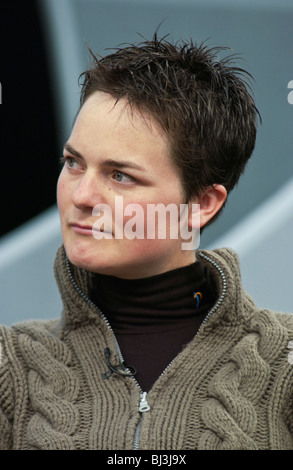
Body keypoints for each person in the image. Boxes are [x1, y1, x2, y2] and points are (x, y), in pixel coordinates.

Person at [1, 33, 293, 451]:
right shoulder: (8, 365)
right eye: (73, 163)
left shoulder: (286, 360)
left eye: (120, 175)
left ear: (202, 203)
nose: (81, 197)